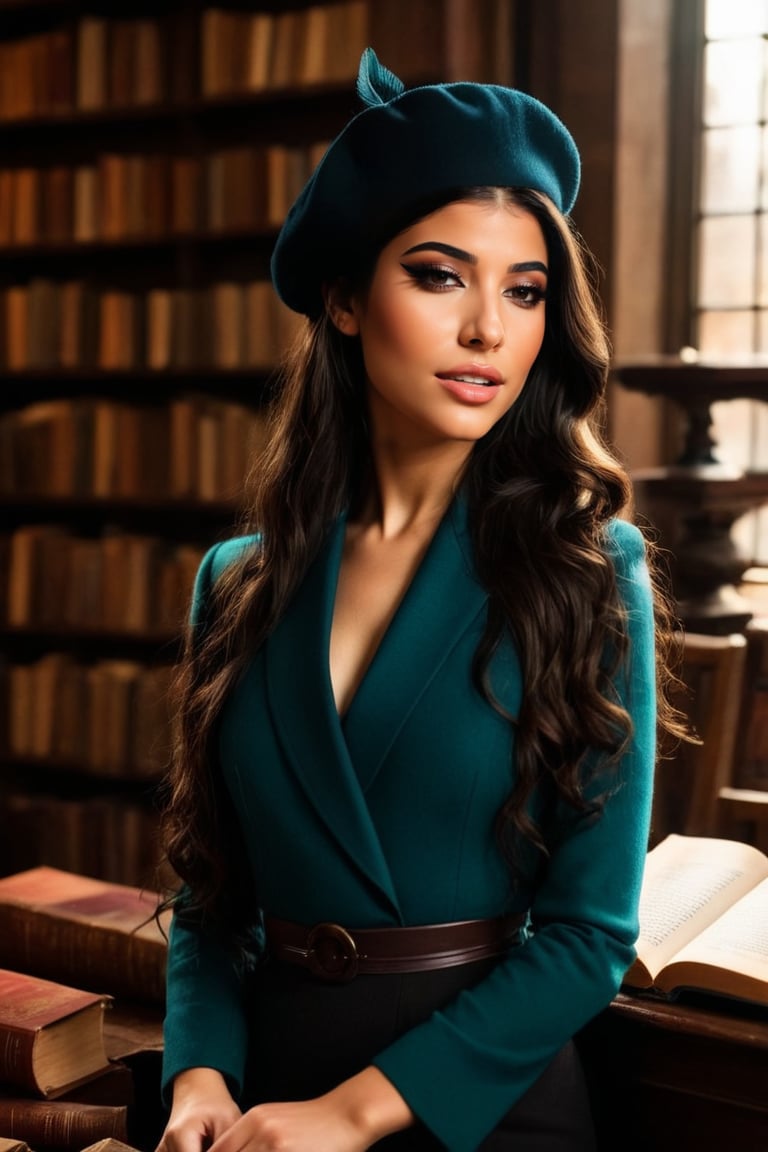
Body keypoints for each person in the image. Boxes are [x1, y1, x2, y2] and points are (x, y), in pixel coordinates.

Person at [156, 48, 681, 1152]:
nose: (489, 329)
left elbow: (588, 938)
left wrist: (350, 1118)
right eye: (442, 275)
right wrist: (199, 1074)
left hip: (481, 1110)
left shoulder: (592, 571)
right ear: (345, 299)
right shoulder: (234, 581)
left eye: (525, 290)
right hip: (257, 1114)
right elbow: (211, 903)